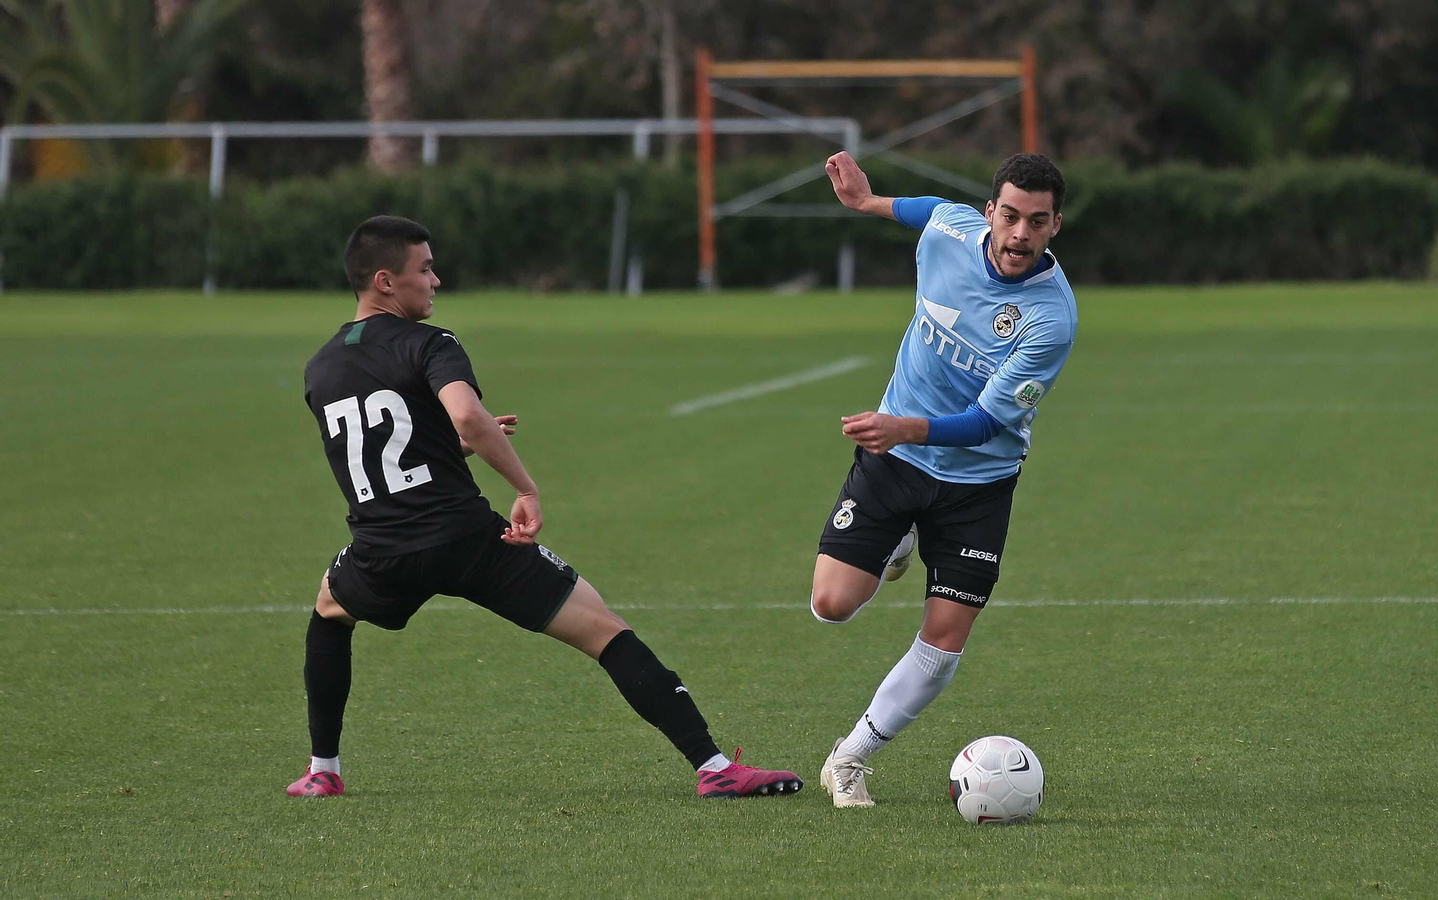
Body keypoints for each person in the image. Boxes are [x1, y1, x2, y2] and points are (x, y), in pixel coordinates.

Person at [288, 215, 801, 799]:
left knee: (330, 612)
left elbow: (386, 451)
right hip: (470, 541)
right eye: (424, 268)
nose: (436, 280)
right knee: (606, 631)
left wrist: (458, 446)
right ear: (385, 280)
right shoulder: (432, 343)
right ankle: (714, 769)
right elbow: (465, 414)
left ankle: (322, 771)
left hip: (380, 550)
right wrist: (524, 485)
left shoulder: (320, 368)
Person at [811, 152, 1078, 808]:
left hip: (976, 484)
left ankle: (850, 758)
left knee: (946, 636)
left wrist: (902, 426)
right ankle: (898, 541)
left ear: (1054, 228)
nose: (1020, 234)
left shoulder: (1051, 318)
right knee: (832, 605)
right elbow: (929, 210)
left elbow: (986, 422)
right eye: (1010, 216)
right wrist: (868, 204)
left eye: (1036, 223)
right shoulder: (953, 229)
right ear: (989, 213)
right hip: (895, 460)